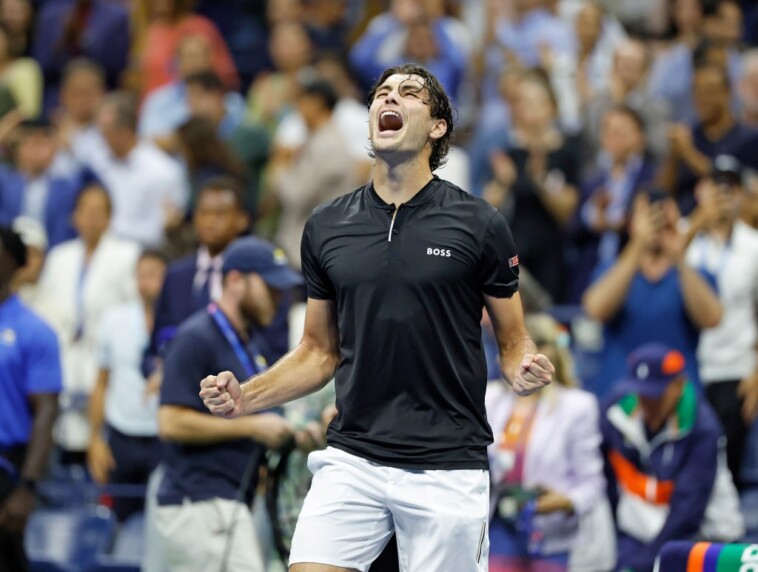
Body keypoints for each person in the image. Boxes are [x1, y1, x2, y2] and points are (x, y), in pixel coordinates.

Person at [200, 63, 555, 572]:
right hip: (354, 456)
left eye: (409, 93)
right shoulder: (326, 226)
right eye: (382, 93)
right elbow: (318, 351)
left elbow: (514, 341)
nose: (390, 99)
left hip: (447, 463)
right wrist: (246, 397)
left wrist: (522, 365)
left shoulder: (480, 224)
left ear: (437, 127)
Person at [156, 236, 301, 572]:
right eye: (270, 287)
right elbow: (170, 422)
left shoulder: (251, 345)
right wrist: (253, 426)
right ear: (235, 280)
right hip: (198, 504)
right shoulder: (197, 336)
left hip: (229, 503)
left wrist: (299, 432)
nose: (279, 299)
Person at [600, 343, 743, 572]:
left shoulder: (703, 429)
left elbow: (687, 513)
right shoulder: (616, 413)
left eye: (656, 395)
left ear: (678, 386)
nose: (648, 404)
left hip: (704, 537)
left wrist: (641, 565)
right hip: (640, 534)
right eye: (642, 394)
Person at [486, 314, 610, 572]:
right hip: (497, 525)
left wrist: (565, 502)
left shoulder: (578, 406)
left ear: (550, 351)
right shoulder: (490, 397)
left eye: (534, 347)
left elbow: (592, 483)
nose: (526, 357)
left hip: (551, 532)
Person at [582, 189, 722, 398]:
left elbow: (712, 318)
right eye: (649, 215)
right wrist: (638, 244)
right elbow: (595, 310)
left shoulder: (694, 273)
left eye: (664, 216)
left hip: (678, 400)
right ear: (631, 222)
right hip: (621, 397)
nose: (657, 222)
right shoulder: (611, 269)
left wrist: (679, 256)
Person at [34, 184, 139, 463]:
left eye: (98, 212)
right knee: (61, 435)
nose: (91, 218)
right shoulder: (60, 257)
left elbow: (132, 308)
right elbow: (46, 309)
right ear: (74, 216)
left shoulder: (126, 255)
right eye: (85, 211)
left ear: (109, 217)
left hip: (103, 355)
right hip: (66, 352)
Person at [684, 155, 758, 490]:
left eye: (730, 187)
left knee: (727, 471)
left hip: (734, 369)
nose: (723, 194)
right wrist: (700, 221)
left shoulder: (753, 245)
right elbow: (660, 263)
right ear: (701, 190)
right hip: (688, 367)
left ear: (742, 193)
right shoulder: (684, 239)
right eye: (716, 186)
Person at [87, 250, 167, 522]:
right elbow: (100, 383)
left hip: (164, 436)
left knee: (162, 518)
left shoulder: (182, 321)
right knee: (113, 519)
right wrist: (95, 439)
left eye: (156, 275)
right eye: (143, 275)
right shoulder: (114, 319)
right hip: (122, 435)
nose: (149, 282)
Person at [0, 225, 61, 571]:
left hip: (6, 466)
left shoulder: (34, 330)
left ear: (15, 262)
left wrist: (27, 487)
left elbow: (46, 412)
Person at [151, 177, 249, 366]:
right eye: (204, 213)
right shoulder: (175, 275)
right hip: (180, 387)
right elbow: (155, 346)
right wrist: (156, 368)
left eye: (220, 214)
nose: (210, 221)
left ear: (241, 220)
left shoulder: (252, 276)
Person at [88, 92, 188, 248]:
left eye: (106, 132)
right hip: (98, 250)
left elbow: (160, 230)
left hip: (142, 254)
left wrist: (108, 229)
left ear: (125, 132)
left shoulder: (163, 171)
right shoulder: (95, 162)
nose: (101, 138)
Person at [0, 117, 81, 249]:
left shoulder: (65, 187)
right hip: (12, 255)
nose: (35, 151)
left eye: (42, 144)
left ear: (54, 151)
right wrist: (2, 140)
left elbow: (89, 179)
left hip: (54, 253)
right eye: (30, 144)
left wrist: (69, 149)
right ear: (19, 150)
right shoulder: (7, 182)